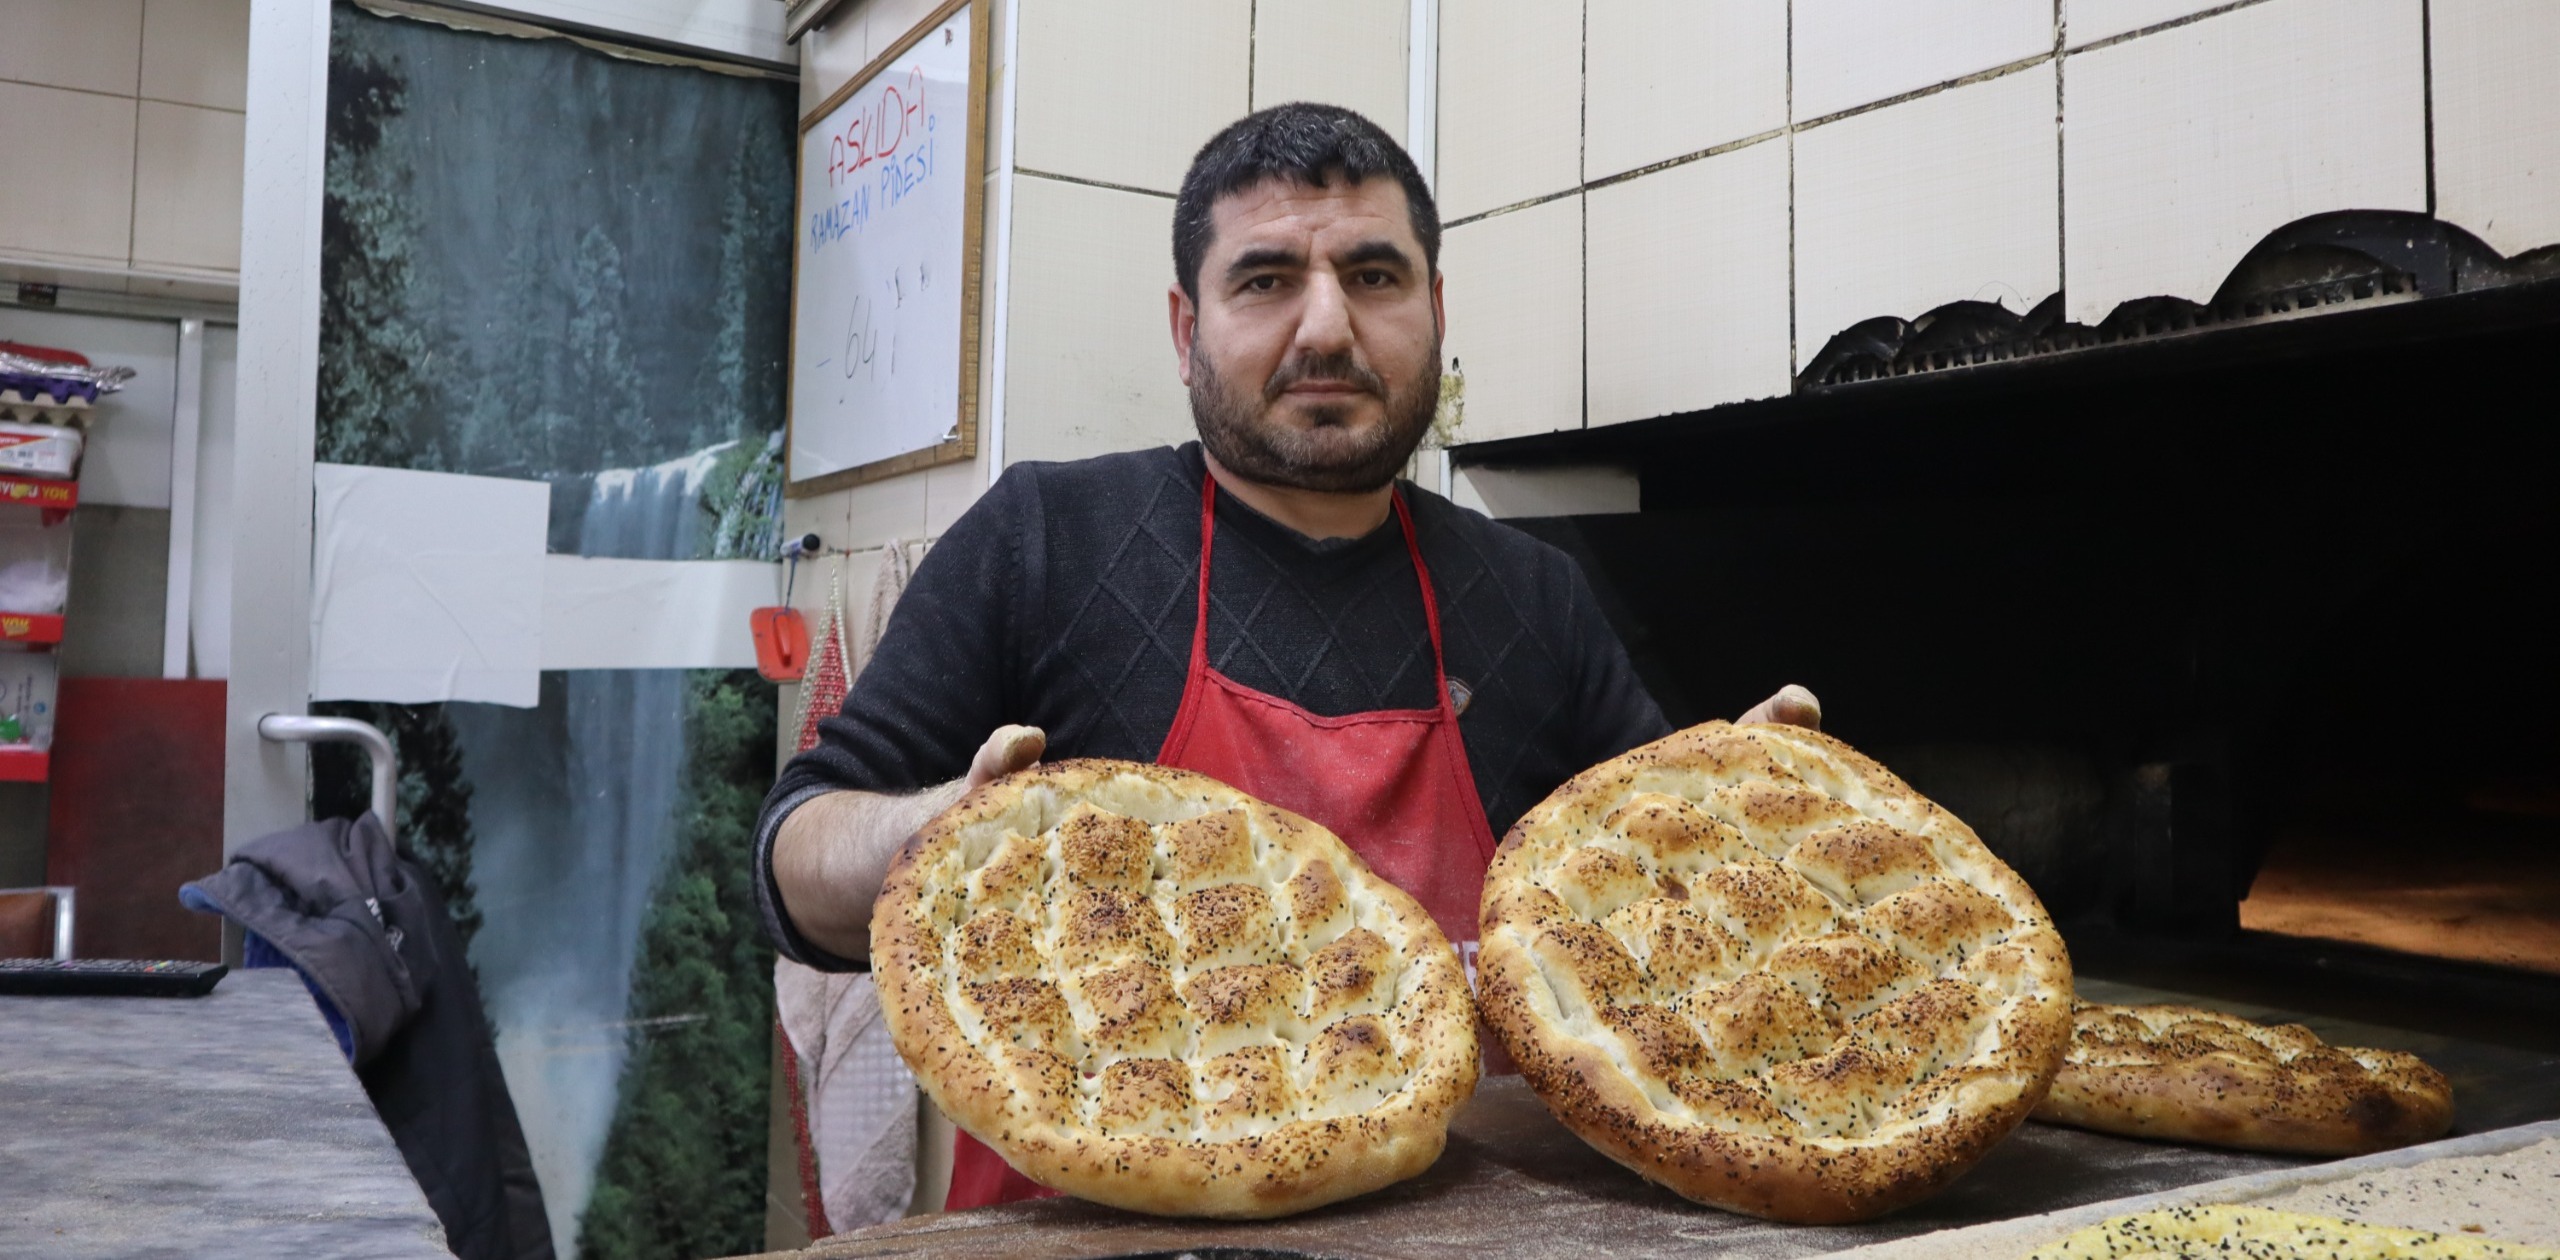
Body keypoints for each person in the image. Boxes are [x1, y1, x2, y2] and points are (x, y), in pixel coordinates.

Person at [754, 101, 1820, 1212]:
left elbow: (1653, 919)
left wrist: (1733, 839)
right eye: (1264, 280)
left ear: (1435, 308)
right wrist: (935, 837)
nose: (1326, 328)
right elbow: (790, 858)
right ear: (1184, 327)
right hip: (1100, 1229)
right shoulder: (1045, 537)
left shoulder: (1532, 591)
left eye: (1373, 277)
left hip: (1467, 1224)